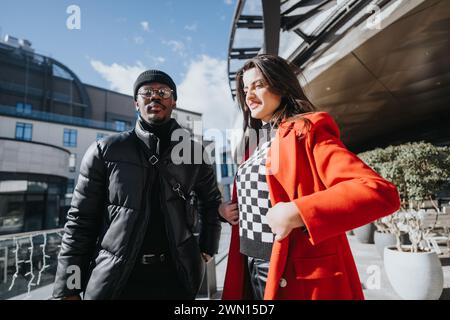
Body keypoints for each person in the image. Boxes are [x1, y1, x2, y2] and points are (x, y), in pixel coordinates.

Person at [219, 54, 400, 300]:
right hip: (248, 262)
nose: (248, 95)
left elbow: (377, 192)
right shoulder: (255, 144)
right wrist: (230, 209)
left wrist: (297, 211)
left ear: (281, 86)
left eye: (258, 85)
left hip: (288, 270)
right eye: (244, 88)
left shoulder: (307, 129)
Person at [52, 70, 222, 300]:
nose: (155, 97)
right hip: (117, 281)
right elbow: (80, 221)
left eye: (163, 92)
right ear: (136, 103)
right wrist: (69, 287)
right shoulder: (105, 150)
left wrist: (207, 247)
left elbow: (211, 202)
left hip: (177, 279)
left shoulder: (194, 154)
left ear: (173, 102)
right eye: (146, 93)